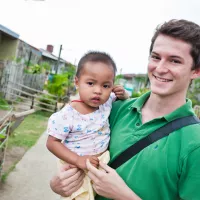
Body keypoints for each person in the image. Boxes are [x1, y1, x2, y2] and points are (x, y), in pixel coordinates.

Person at [50, 19, 200, 200]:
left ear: (196, 71)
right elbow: (68, 148)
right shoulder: (114, 109)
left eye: (174, 61)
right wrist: (58, 185)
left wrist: (124, 196)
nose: (160, 68)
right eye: (156, 57)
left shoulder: (195, 143)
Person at [46, 51, 129, 200]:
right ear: (77, 82)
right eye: (90, 83)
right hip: (76, 167)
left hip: (100, 163)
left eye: (105, 85)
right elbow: (52, 143)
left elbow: (120, 97)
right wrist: (78, 160)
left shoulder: (107, 102)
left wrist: (124, 95)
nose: (98, 90)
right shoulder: (67, 115)